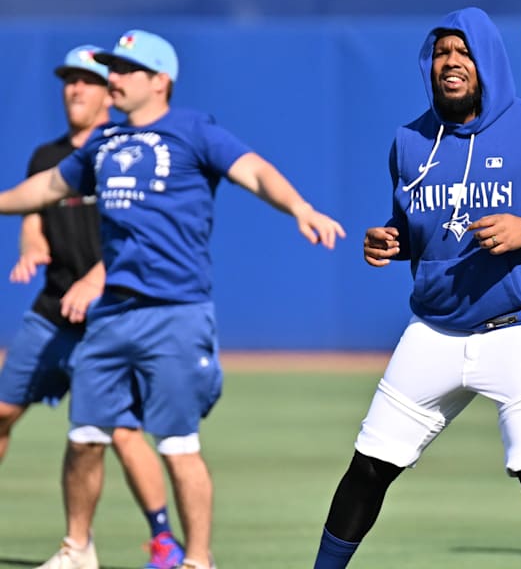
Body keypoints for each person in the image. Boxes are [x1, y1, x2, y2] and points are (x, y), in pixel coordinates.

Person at [0, 29, 345, 569]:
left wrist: (299, 207)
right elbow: (46, 189)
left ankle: (197, 560)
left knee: (178, 445)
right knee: (85, 437)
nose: (113, 78)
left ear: (160, 80)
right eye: (112, 68)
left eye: (125, 69)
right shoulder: (103, 141)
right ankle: (77, 549)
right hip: (110, 316)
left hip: (174, 313)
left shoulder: (193, 130)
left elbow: (254, 170)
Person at [312, 7, 521, 569]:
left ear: (488, 61)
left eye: (464, 52)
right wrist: (392, 240)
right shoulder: (410, 141)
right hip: (437, 330)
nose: (450, 63)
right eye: (441, 53)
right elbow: (419, 228)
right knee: (369, 466)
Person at [0, 44, 184, 569]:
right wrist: (31, 245)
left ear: (111, 91)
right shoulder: (48, 157)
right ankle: (81, 550)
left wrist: (96, 278)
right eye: (69, 80)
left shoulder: (128, 152)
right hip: (53, 312)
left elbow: (142, 236)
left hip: (109, 316)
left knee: (120, 432)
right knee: (2, 412)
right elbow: (32, 215)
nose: (75, 89)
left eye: (88, 79)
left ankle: (164, 541)